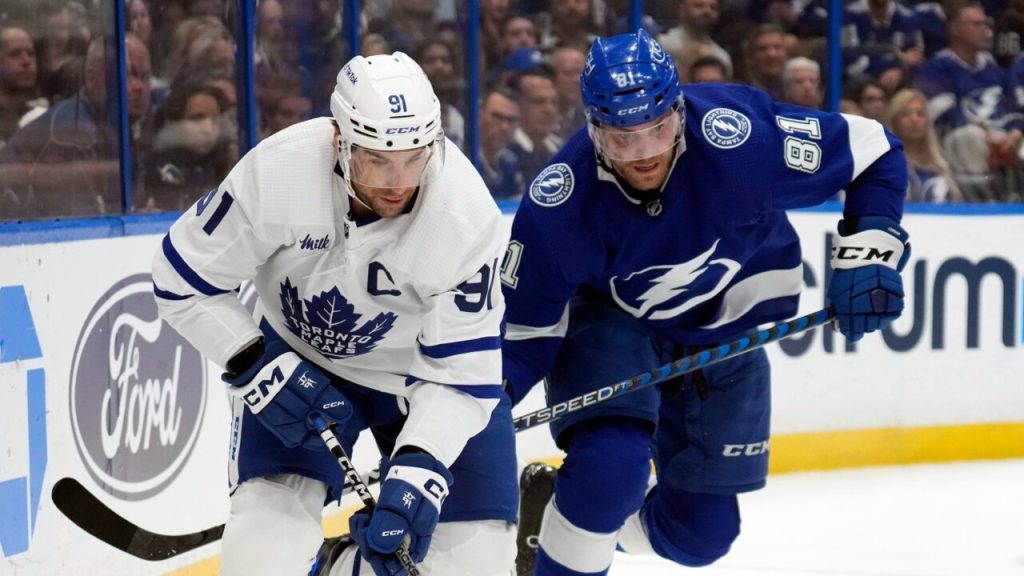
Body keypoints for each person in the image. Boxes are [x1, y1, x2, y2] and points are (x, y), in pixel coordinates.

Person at [501, 29, 910, 576]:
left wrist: (869, 251)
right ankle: (583, 513)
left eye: (658, 129)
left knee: (700, 535)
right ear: (594, 130)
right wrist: (483, 404)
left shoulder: (742, 140)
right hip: (611, 324)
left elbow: (875, 151)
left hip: (726, 326)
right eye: (623, 140)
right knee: (611, 468)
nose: (644, 155)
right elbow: (524, 334)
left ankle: (564, 511)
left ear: (679, 109)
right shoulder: (561, 204)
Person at [151, 52, 518, 576]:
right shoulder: (279, 172)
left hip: (423, 376)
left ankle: (342, 567)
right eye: (377, 160)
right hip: (299, 356)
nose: (398, 182)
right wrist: (253, 360)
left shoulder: (464, 217)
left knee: (474, 564)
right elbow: (179, 278)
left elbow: (462, 377)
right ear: (339, 141)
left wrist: (419, 466)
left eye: (414, 158)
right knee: (262, 553)